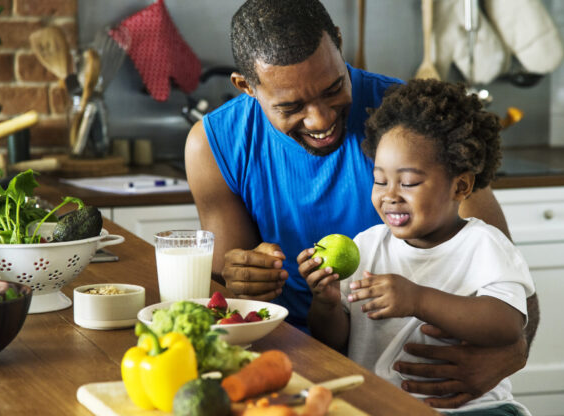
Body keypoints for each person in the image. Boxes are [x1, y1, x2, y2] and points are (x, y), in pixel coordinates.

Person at [184, 0, 540, 408]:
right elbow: (225, 298)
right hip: (287, 361)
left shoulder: (414, 127)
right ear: (246, 86)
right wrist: (239, 274)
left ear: (338, 41)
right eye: (291, 106)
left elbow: (508, 279)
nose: (319, 119)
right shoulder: (214, 145)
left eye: (333, 88)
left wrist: (512, 355)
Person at [298, 79, 535, 415]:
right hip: (379, 407)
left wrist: (418, 299)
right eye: (380, 180)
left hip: (472, 410)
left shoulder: (483, 245)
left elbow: (507, 324)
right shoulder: (367, 246)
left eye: (409, 182)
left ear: (460, 186)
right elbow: (335, 343)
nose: (389, 194)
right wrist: (326, 303)